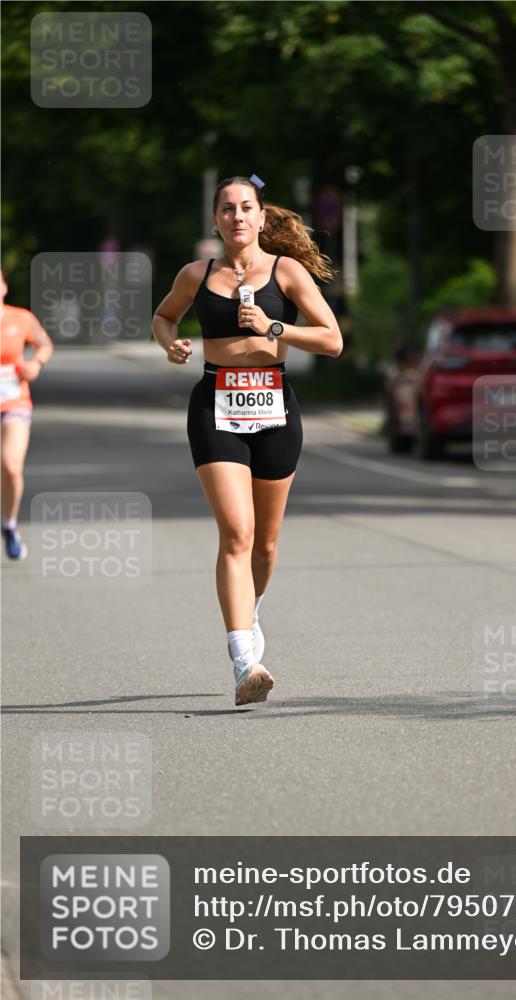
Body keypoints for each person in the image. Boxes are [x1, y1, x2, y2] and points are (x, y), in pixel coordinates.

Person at [152, 174, 343, 706]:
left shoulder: (288, 272)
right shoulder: (197, 273)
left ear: (262, 217)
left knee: (265, 542)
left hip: (276, 405)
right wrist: (171, 344)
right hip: (215, 406)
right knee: (236, 531)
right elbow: (163, 317)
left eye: (246, 208)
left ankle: (250, 610)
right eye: (227, 209)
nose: (237, 216)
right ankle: (244, 661)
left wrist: (274, 328)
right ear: (215, 220)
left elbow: (332, 339)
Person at [0, 268, 54, 560]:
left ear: (4, 286)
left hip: (14, 402)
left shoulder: (20, 318)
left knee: (10, 466)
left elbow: (44, 344)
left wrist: (36, 364)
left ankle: (9, 525)